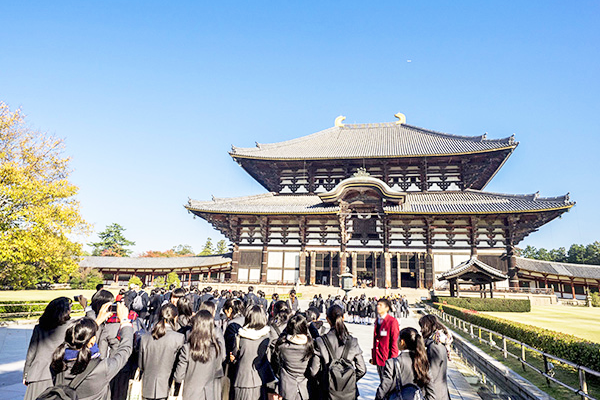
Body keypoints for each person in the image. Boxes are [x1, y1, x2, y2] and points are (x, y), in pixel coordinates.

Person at [46, 303, 133, 400]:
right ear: (92, 340)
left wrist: (97, 321)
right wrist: (125, 321)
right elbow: (125, 350)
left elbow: (77, 339)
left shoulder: (57, 362)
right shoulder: (102, 368)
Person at [310, 305, 366, 400]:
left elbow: (314, 371)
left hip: (326, 392)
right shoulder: (353, 341)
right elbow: (362, 369)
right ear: (343, 317)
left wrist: (327, 379)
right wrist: (347, 380)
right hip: (349, 393)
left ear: (327, 319)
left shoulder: (320, 341)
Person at [23, 297, 74, 400]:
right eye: (69, 307)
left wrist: (26, 373)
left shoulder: (39, 327)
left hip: (37, 374)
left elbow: (31, 353)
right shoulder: (71, 326)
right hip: (58, 373)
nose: (71, 310)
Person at [174, 310, 225, 400]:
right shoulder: (217, 348)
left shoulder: (187, 348)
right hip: (209, 394)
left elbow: (178, 377)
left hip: (190, 394)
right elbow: (217, 369)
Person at [139, 303, 185, 400]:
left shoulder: (145, 338)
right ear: (175, 318)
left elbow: (141, 365)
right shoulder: (179, 338)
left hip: (147, 386)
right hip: (166, 386)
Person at [230, 305, 276, 400]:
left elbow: (236, 356)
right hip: (259, 379)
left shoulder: (240, 336)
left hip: (241, 379)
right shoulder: (267, 337)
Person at [374, 327, 430, 400]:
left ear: (402, 342)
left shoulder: (392, 363)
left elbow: (384, 388)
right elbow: (430, 389)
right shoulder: (422, 362)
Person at [271, 314, 314, 400]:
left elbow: (279, 340)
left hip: (287, 387)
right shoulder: (310, 346)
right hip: (304, 386)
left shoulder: (283, 347)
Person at [419, 315, 450, 400]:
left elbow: (432, 376)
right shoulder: (437, 344)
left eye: (422, 327)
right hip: (440, 393)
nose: (421, 330)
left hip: (435, 394)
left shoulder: (434, 347)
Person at [371, 298, 400, 380]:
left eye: (380, 305)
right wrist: (374, 357)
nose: (378, 307)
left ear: (387, 308)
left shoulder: (392, 321)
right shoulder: (378, 320)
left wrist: (392, 360)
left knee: (387, 384)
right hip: (378, 357)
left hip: (387, 358)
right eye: (377, 305)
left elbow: (395, 342)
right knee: (382, 381)